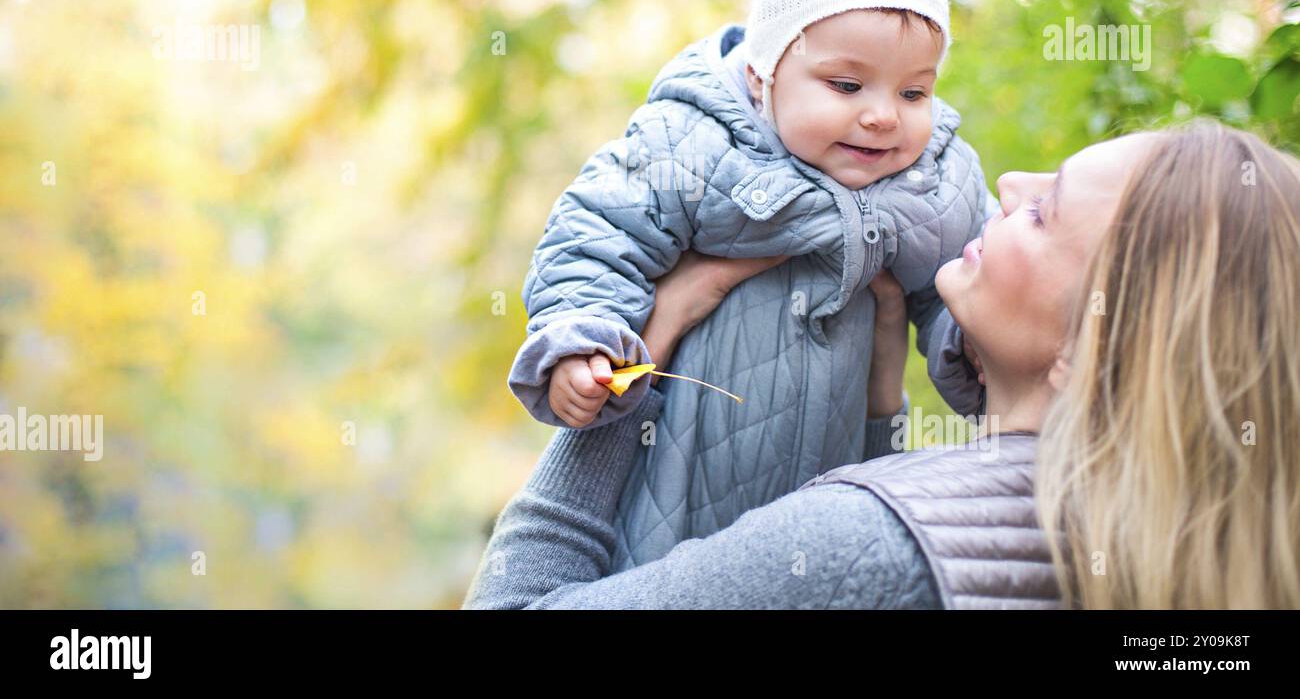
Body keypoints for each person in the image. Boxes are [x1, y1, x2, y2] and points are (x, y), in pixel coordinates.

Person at [463, 121, 1300, 608]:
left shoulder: (862, 545)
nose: (1007, 183)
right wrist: (874, 417)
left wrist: (631, 373)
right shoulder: (1175, 563)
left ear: (1091, 346)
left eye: (1045, 212)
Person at [506, 0, 992, 571]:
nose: (883, 114)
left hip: (827, 499)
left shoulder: (932, 177)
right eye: (847, 85)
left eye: (914, 90)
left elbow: (961, 283)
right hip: (667, 498)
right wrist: (582, 342)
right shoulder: (694, 142)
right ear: (764, 76)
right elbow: (597, 233)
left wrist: (971, 346)